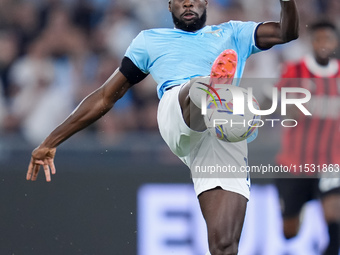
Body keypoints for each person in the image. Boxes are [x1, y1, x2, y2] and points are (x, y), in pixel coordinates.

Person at [26, 0, 299, 254]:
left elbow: (288, 33)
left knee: (225, 244)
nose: (188, 3)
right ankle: (223, 99)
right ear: (170, 5)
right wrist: (51, 140)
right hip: (178, 109)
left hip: (220, 136)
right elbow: (106, 96)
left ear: (205, 1)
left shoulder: (234, 33)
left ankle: (226, 105)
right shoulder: (150, 41)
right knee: (200, 87)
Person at [275, 21, 340, 255]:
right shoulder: (294, 71)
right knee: (289, 232)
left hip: (331, 163)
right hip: (294, 164)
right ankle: (298, 207)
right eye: (319, 39)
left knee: (334, 220)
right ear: (312, 42)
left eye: (328, 39)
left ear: (335, 43)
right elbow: (284, 108)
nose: (324, 44)